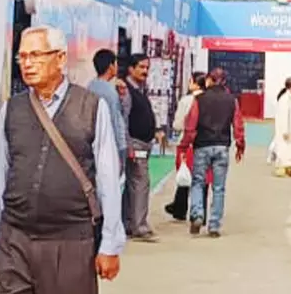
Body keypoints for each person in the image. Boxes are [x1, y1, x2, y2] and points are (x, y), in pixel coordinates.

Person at [0, 24, 125, 294]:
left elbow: (110, 178)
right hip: (14, 241)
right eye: (22, 57)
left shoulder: (89, 107)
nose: (26, 64)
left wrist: (110, 243)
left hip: (70, 243)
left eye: (35, 55)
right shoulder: (11, 111)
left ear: (60, 59)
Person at [182, 68, 246, 237]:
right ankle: (214, 225)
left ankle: (197, 214)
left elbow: (191, 125)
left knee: (198, 182)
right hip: (222, 146)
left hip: (202, 145)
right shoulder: (232, 101)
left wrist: (184, 145)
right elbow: (238, 124)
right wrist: (240, 144)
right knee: (219, 187)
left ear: (209, 80)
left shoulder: (199, 100)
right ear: (224, 81)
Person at [119, 54, 159, 242]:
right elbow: (123, 120)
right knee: (141, 183)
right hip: (135, 143)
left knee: (133, 184)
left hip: (143, 143)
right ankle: (140, 227)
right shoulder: (125, 91)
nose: (145, 71)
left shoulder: (139, 90)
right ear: (131, 69)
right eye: (141, 67)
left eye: (147, 68)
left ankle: (128, 222)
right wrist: (128, 146)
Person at [165, 73, 207, 221]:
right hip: (204, 142)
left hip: (186, 142)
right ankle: (200, 210)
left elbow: (178, 123)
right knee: (202, 178)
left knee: (184, 174)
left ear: (195, 84)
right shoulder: (207, 100)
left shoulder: (187, 100)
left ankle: (180, 208)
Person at [88, 49, 129, 171]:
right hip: (110, 145)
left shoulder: (90, 86)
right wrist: (121, 147)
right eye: (116, 64)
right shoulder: (110, 92)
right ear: (111, 66)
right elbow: (115, 122)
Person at [269, 77, 291, 177]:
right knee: (284, 149)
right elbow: (283, 116)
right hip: (287, 130)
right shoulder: (285, 99)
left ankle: (289, 168)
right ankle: (281, 169)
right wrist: (285, 130)